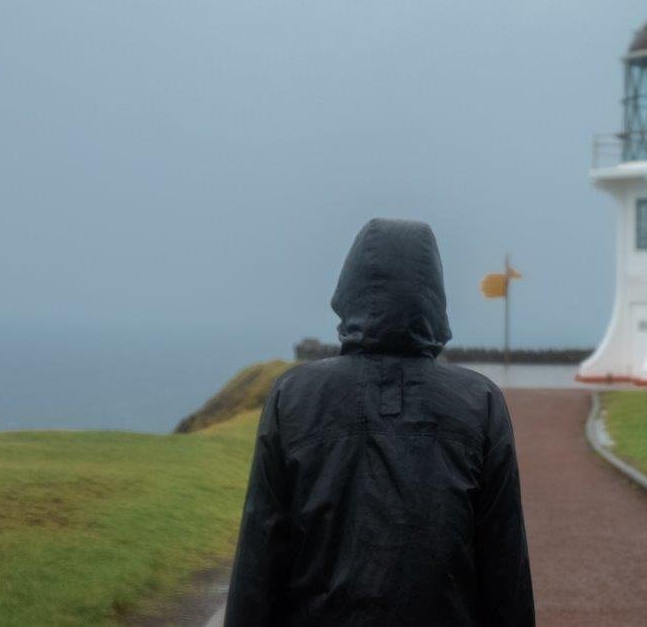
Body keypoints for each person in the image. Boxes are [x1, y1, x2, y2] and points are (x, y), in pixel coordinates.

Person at [224, 218, 535, 626]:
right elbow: (505, 569)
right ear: (434, 295)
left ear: (347, 289)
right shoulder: (480, 402)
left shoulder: (294, 396)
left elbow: (259, 562)